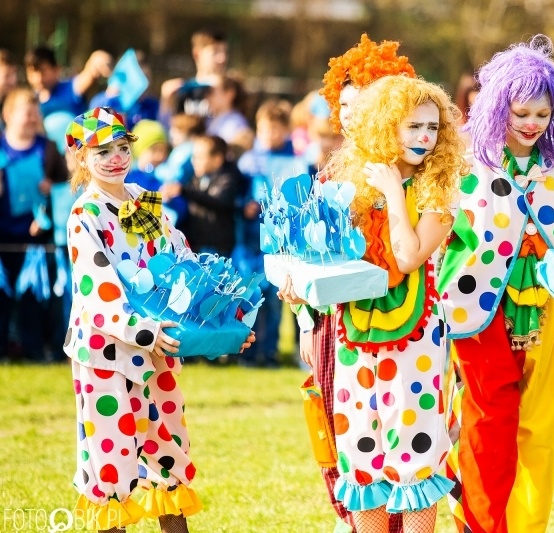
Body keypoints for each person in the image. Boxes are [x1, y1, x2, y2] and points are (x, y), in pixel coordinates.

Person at [63, 106, 254, 532]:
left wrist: (226, 320)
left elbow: (184, 264)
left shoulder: (148, 204)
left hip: (158, 350)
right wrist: (144, 330)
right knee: (112, 460)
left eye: (121, 147)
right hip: (108, 354)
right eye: (102, 151)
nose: (115, 158)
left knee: (169, 449)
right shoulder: (84, 216)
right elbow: (99, 291)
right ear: (82, 159)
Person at [303, 74, 465, 533]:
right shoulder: (352, 181)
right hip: (356, 336)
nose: (424, 138)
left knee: (413, 458)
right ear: (386, 126)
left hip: (417, 343)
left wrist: (395, 193)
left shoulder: (439, 190)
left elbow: (410, 256)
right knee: (361, 457)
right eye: (412, 126)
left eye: (432, 128)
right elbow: (325, 253)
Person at [437, 36, 554, 533]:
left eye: (542, 114)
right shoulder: (464, 163)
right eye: (522, 112)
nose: (532, 124)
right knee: (488, 420)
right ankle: (480, 523)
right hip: (475, 308)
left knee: (536, 427)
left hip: (543, 310)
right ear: (500, 106)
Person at [283, 34, 416, 533]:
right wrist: (298, 302)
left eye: (363, 104)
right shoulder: (326, 177)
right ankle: (354, 520)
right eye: (343, 106)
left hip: (400, 333)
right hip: (332, 331)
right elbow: (304, 257)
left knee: (399, 442)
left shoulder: (418, 176)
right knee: (342, 439)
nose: (350, 116)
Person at [238, 98, 307, 368]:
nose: (271, 135)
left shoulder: (296, 162)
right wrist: (244, 206)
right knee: (250, 297)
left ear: (287, 130)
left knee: (277, 298)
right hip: (250, 241)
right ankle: (247, 352)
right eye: (266, 129)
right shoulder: (247, 162)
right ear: (258, 129)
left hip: (280, 242)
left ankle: (271, 351)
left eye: (277, 129)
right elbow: (236, 196)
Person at [0, 88, 68, 361]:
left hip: (36, 236)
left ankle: (32, 350)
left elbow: (65, 183)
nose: (31, 118)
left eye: (35, 112)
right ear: (9, 115)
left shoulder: (47, 147)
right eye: (26, 112)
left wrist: (50, 186)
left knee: (33, 297)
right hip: (3, 235)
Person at [162, 135, 241, 256]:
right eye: (193, 157)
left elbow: (218, 201)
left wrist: (184, 191)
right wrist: (170, 198)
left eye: (199, 158)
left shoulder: (228, 178)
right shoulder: (197, 178)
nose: (194, 161)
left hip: (220, 248)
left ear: (217, 159)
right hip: (198, 245)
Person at [24, 46, 112, 119]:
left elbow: (89, 72)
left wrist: (97, 58)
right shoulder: (30, 100)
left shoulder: (70, 89)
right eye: (32, 73)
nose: (38, 79)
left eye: (43, 72)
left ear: (56, 69)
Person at [160, 29, 228, 123]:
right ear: (197, 54)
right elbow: (168, 128)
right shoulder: (182, 90)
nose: (222, 58)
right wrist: (166, 101)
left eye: (224, 52)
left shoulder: (229, 91)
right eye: (215, 52)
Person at [206, 76, 253, 158]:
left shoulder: (236, 123)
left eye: (212, 91)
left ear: (229, 94)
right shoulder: (209, 119)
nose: (207, 96)